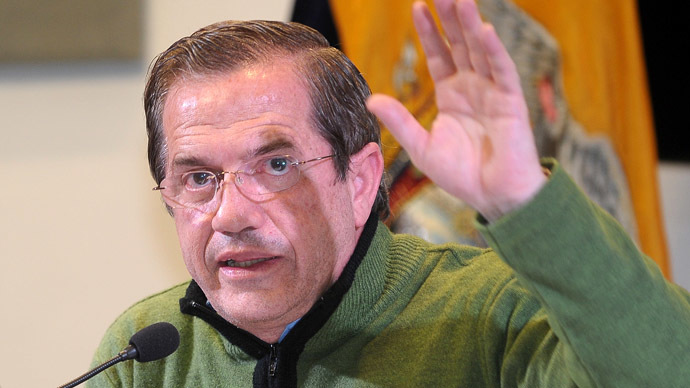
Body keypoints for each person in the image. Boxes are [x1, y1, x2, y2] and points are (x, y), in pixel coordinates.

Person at [88, 0, 690, 387]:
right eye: (198, 178)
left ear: (361, 180)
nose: (232, 214)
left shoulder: (493, 315)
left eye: (275, 164)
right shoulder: (147, 356)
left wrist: (523, 199)